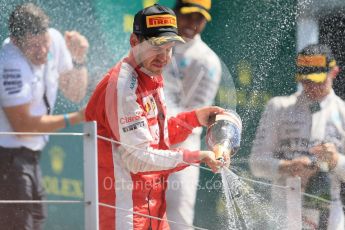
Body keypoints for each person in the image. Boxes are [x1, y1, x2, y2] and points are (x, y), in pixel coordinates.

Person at [85, 4, 226, 230]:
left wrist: (194, 118)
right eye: (156, 47)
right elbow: (138, 158)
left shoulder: (150, 74)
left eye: (169, 48)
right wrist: (195, 156)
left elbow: (156, 137)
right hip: (124, 215)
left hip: (152, 212)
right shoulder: (123, 87)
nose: (164, 57)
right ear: (134, 42)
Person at [0, 3, 88, 230]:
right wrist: (76, 118)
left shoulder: (55, 39)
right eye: (33, 46)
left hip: (32, 154)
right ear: (17, 43)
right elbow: (24, 127)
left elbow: (75, 93)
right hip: (7, 158)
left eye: (44, 43)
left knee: (36, 221)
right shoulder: (10, 62)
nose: (41, 52)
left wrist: (78, 59)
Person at [249, 44, 345, 229]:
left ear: (333, 72)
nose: (311, 86)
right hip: (283, 215)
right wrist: (287, 167)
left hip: (330, 217)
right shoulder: (278, 107)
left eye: (318, 80)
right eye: (306, 80)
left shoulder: (343, 112)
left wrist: (335, 161)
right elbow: (256, 164)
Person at [163, 0, 222, 228]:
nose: (193, 23)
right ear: (175, 12)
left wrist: (160, 123)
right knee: (137, 209)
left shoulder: (209, 61)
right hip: (145, 140)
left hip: (182, 145)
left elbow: (195, 115)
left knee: (177, 214)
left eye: (200, 18)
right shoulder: (155, 44)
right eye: (188, 15)